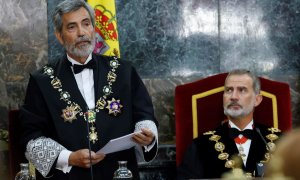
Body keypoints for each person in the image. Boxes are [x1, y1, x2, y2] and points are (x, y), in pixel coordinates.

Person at [19, 0, 158, 179]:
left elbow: (145, 116)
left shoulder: (124, 71)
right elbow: (31, 136)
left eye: (86, 24)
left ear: (93, 28)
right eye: (71, 27)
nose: (82, 33)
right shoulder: (42, 81)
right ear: (59, 36)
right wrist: (68, 158)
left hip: (120, 173)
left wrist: (148, 137)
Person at [177, 69, 281, 179]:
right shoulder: (200, 146)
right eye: (229, 90)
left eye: (242, 90)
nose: (233, 96)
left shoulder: (280, 142)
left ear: (257, 99)